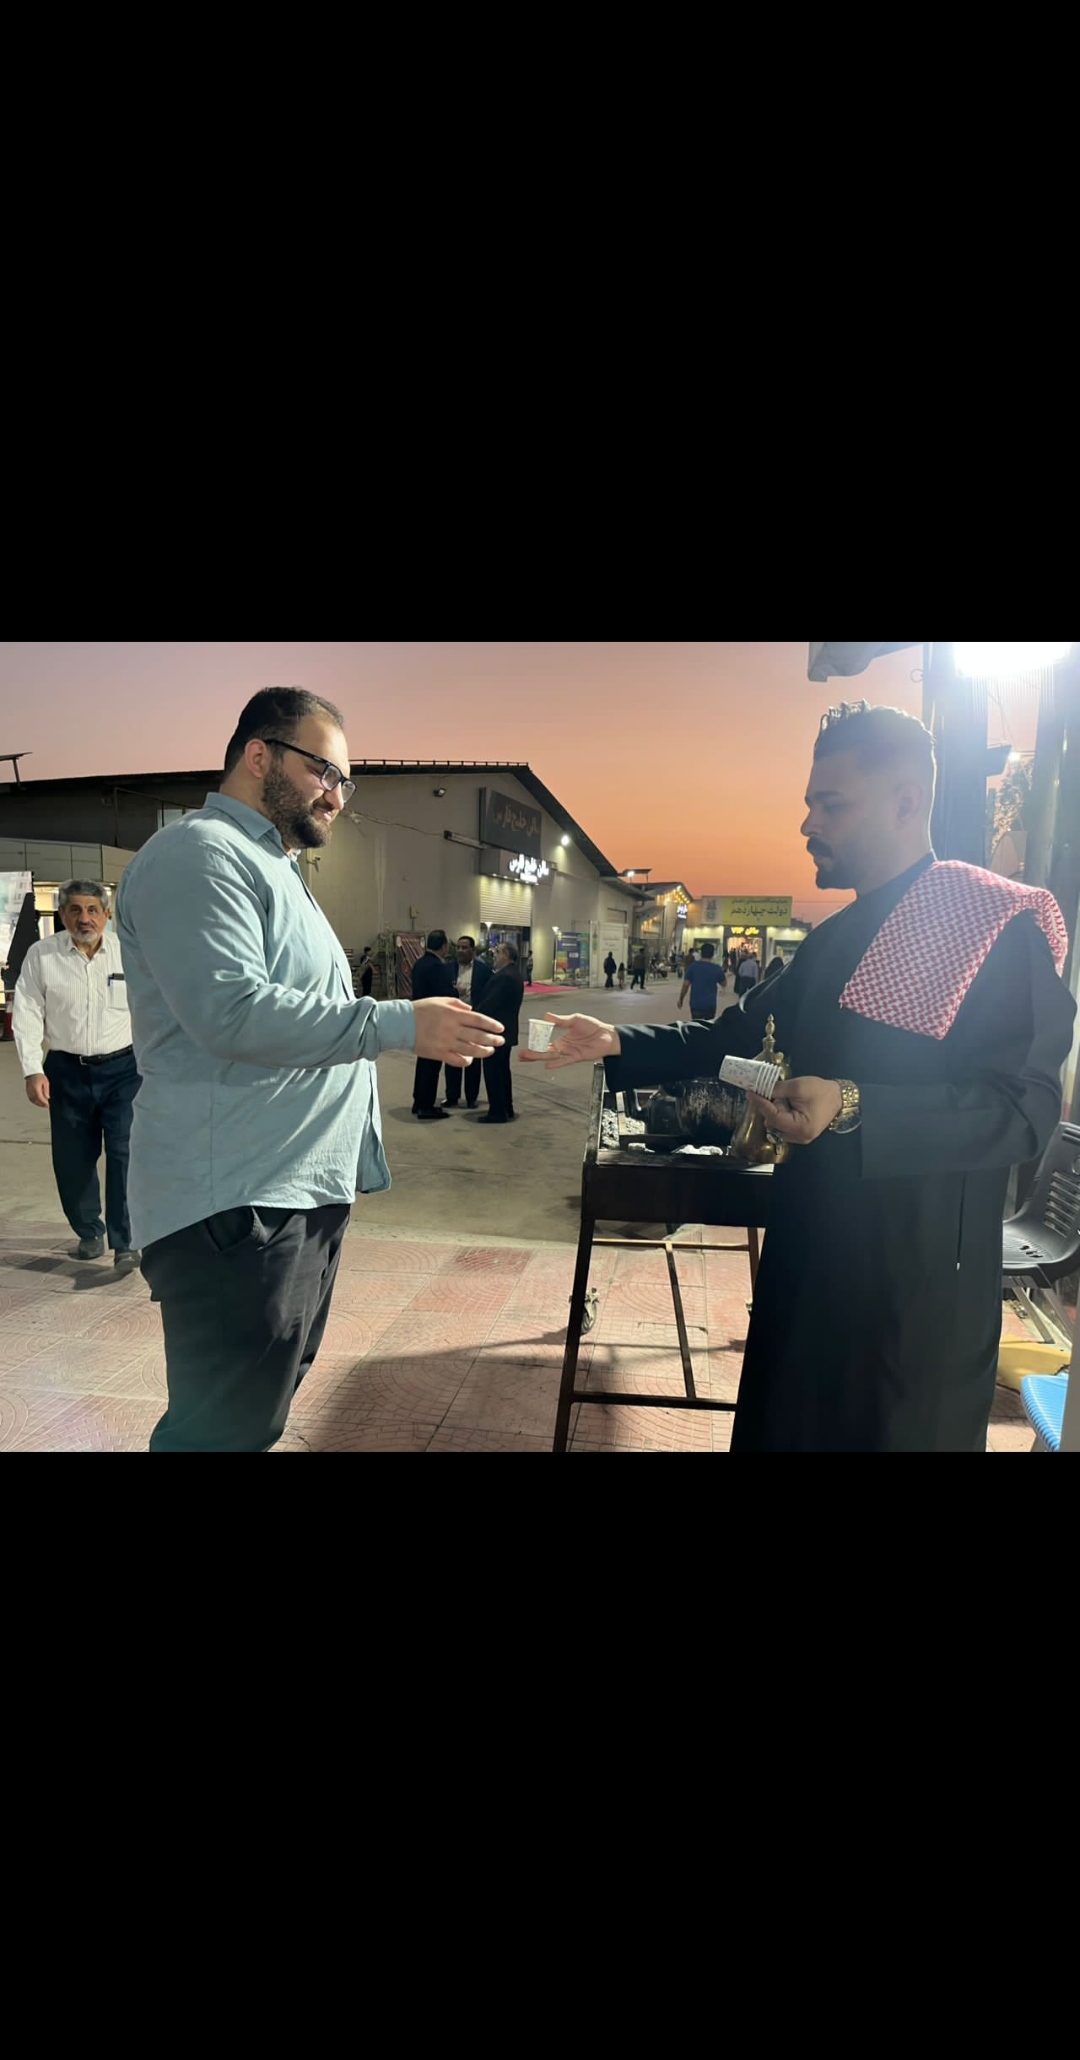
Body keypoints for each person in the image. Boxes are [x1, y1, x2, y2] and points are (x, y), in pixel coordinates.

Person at [521, 701, 1076, 1453]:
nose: (809, 824)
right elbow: (735, 1040)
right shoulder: (832, 941)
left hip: (913, 1301)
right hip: (808, 1263)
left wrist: (853, 1104)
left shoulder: (993, 925)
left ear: (906, 801)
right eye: (810, 803)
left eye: (832, 805)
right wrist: (617, 1039)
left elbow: (1023, 1110)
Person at [115, 688, 503, 1453]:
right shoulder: (201, 854)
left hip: (289, 1195)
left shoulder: (273, 866)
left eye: (345, 782)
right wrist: (397, 1022)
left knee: (249, 1422)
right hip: (235, 1205)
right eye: (324, 770)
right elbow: (231, 1013)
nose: (336, 795)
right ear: (258, 754)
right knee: (218, 1433)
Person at [13, 879, 142, 1267]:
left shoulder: (129, 953)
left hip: (124, 1071)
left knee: (125, 1153)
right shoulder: (42, 956)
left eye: (92, 910)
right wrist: (32, 1069)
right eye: (75, 910)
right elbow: (27, 1012)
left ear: (107, 914)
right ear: (62, 915)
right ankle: (89, 1231)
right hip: (66, 1071)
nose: (84, 918)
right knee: (73, 1158)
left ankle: (126, 1241)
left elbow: (152, 1007)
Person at [443, 935, 493, 1110]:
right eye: (458, 947)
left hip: (473, 1019)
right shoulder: (448, 968)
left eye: (465, 948)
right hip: (453, 1018)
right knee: (452, 1058)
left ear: (473, 950)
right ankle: (452, 1096)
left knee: (473, 1059)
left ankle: (471, 1098)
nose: (460, 951)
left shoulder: (483, 970)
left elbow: (489, 994)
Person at [411, 930, 455, 1119]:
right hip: (434, 1020)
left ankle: (419, 1101)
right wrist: (457, 991)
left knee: (423, 1062)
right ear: (444, 946)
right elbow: (444, 994)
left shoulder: (420, 964)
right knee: (432, 1064)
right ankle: (426, 1106)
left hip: (420, 1018)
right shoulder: (437, 966)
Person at [479, 942, 524, 1123]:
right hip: (507, 1031)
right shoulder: (514, 974)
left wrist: (472, 1015)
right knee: (503, 1071)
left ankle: (497, 1111)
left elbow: (490, 1003)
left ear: (506, 955)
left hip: (496, 1031)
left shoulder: (504, 976)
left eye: (497, 952)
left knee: (493, 1072)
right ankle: (506, 1107)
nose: (494, 956)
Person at [678, 940, 725, 1024]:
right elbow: (724, 983)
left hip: (696, 1004)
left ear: (701, 953)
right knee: (708, 1027)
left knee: (696, 1025)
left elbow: (686, 985)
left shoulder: (693, 967)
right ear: (713, 954)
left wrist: (681, 999)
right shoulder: (716, 968)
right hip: (710, 1004)